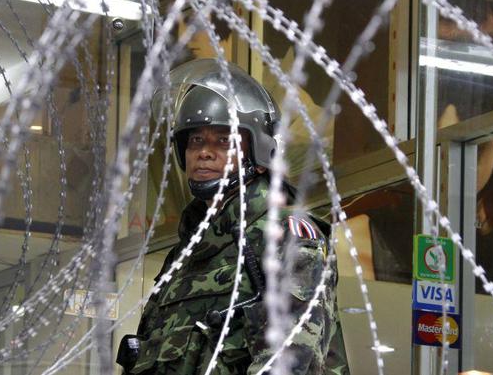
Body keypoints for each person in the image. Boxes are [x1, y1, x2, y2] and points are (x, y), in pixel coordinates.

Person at [117, 59, 349, 375]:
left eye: (223, 140)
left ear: (260, 149)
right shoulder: (184, 256)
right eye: (196, 140)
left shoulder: (287, 237)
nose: (204, 152)